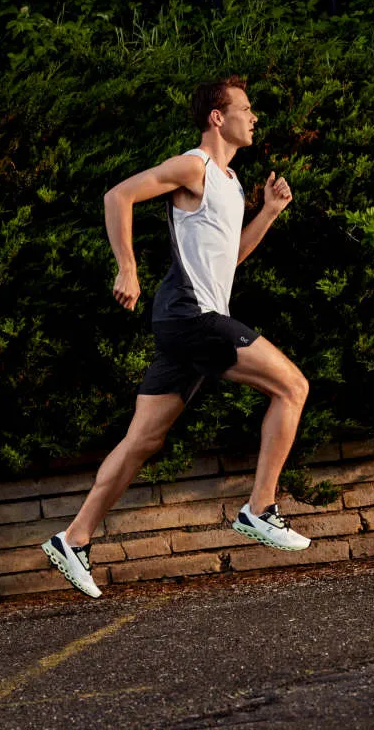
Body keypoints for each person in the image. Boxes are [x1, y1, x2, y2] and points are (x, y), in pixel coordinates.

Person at [42, 75, 311, 598]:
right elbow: (118, 195)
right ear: (218, 116)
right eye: (245, 109)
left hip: (189, 318)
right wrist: (128, 268)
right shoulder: (196, 167)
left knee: (144, 439)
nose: (253, 117)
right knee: (292, 387)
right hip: (191, 314)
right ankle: (260, 508)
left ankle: (72, 538)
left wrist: (270, 214)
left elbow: (227, 260)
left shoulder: (231, 184)